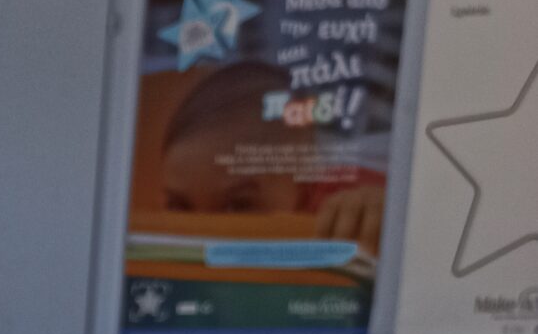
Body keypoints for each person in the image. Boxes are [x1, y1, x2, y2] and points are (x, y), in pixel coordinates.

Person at [158, 58, 387, 255]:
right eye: (180, 207)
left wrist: (372, 212)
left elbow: (389, 209)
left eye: (237, 206)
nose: (205, 236)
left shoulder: (337, 201)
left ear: (304, 184)